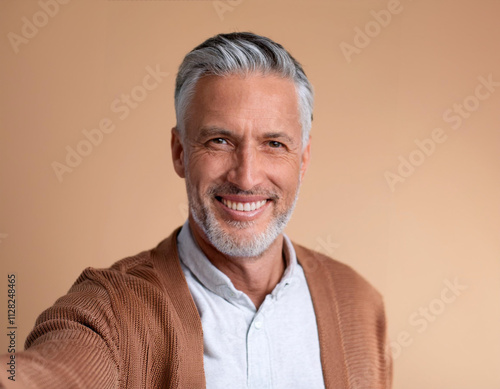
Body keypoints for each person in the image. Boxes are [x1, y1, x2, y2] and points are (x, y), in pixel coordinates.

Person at [0, 32, 392, 389]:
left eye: (274, 143)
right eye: (220, 140)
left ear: (302, 160)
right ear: (179, 153)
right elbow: (43, 376)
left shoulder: (358, 304)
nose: (246, 176)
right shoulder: (112, 310)